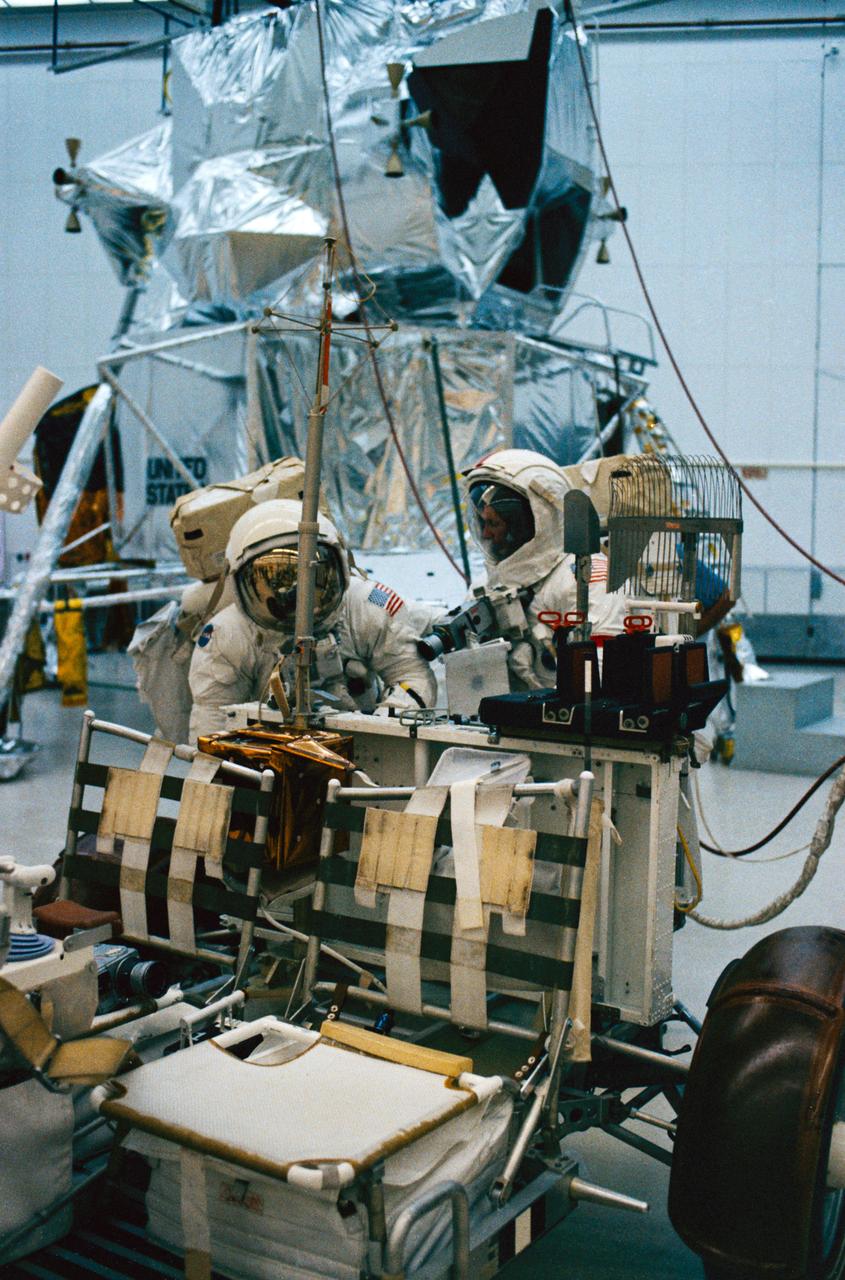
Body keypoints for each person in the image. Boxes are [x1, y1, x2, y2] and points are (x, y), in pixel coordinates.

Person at [188, 498, 437, 741]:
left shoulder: (366, 606)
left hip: (366, 738)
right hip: (268, 753)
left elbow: (411, 676)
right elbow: (213, 725)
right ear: (240, 585)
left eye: (310, 575)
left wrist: (382, 730)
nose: (296, 593)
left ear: (338, 567)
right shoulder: (227, 635)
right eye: (275, 579)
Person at [462, 448, 628, 689]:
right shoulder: (484, 586)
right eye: (482, 522)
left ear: (530, 521)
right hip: (508, 719)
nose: (486, 534)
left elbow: (604, 677)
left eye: (494, 523)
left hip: (571, 720)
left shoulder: (587, 578)